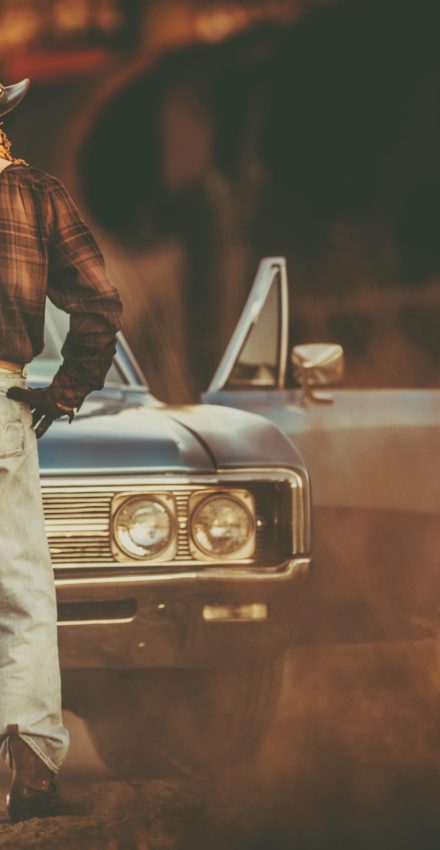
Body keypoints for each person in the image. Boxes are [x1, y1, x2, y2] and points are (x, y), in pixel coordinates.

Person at [0, 78, 123, 820]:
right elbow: (100, 303)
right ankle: (31, 770)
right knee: (19, 590)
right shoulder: (35, 195)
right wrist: (65, 390)